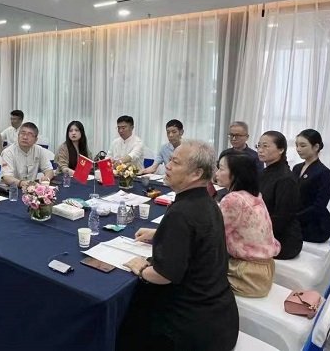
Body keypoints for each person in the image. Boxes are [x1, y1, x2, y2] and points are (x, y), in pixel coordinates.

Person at [117, 140, 238, 351]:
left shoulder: (182, 212)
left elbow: (164, 275)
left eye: (175, 162)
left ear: (196, 173)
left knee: (128, 323)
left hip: (191, 328)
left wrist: (142, 268)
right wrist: (160, 234)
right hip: (220, 316)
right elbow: (198, 239)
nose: (168, 166)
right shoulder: (208, 202)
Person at [216, 150, 280, 297]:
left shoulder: (233, 199)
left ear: (235, 174)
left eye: (221, 169)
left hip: (246, 274)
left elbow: (214, 235)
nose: (217, 173)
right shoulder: (254, 195)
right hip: (264, 270)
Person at [258, 131, 303, 259]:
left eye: (265, 146)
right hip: (265, 231)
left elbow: (282, 217)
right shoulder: (265, 172)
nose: (260, 150)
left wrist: (255, 232)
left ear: (281, 149)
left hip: (283, 240)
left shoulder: (285, 178)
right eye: (258, 146)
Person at [293, 129, 330, 243]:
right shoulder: (296, 168)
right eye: (297, 145)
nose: (298, 149)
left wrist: (294, 218)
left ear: (316, 147)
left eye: (303, 145)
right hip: (296, 222)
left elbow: (319, 206)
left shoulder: (324, 172)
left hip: (314, 226)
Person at [1, 122, 54, 189]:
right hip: (12, 190)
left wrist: (46, 178)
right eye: (22, 133)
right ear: (18, 135)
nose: (25, 137)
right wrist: (21, 183)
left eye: (30, 135)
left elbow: (49, 170)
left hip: (31, 189)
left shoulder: (39, 150)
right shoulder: (8, 152)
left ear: (35, 140)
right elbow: (6, 177)